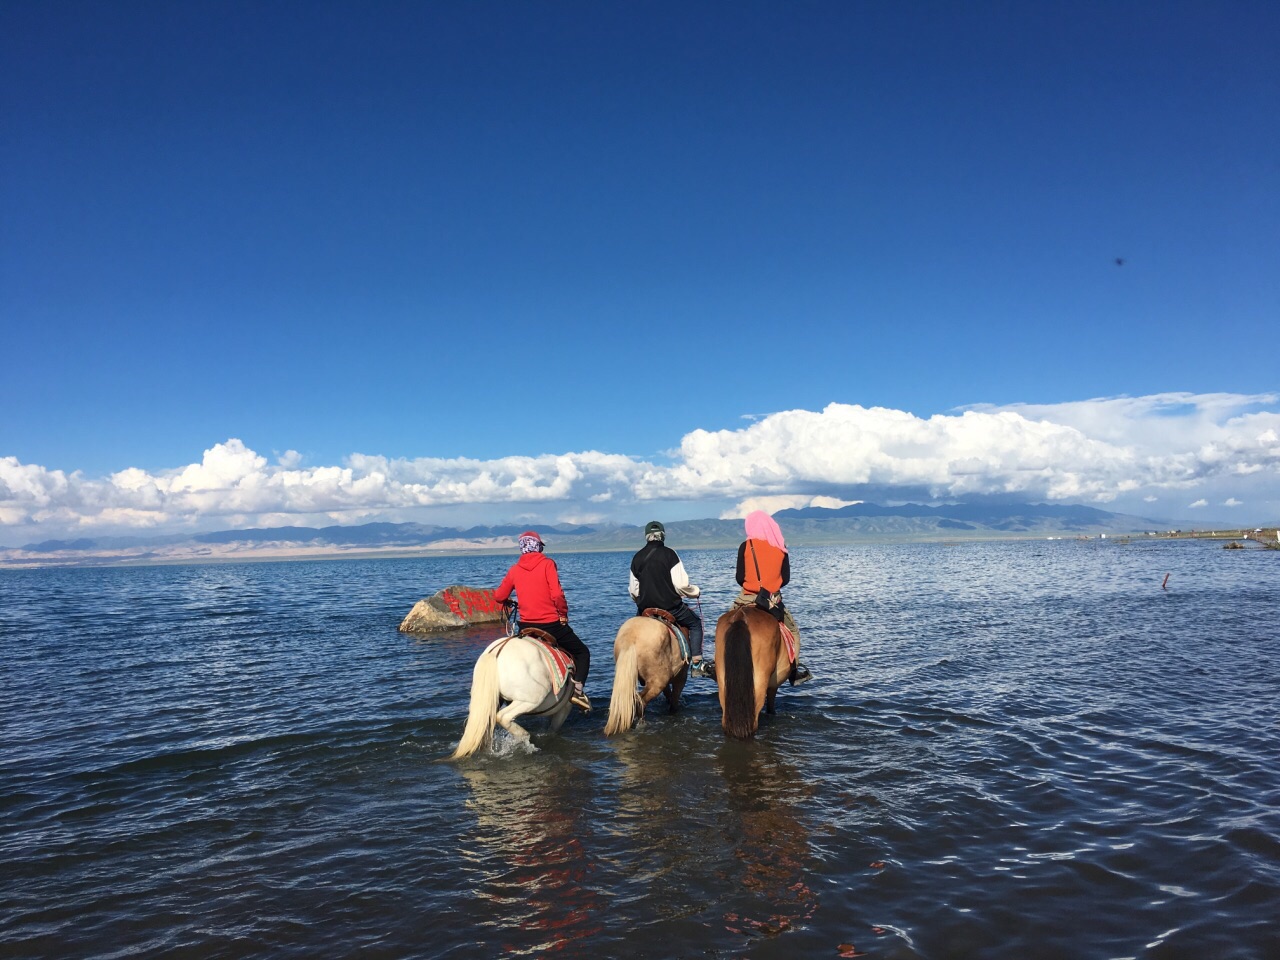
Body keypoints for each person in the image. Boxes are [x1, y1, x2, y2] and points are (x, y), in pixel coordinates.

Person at [493, 530, 592, 710]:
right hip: (551, 625)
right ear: (537, 547)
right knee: (582, 653)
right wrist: (563, 614)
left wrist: (508, 601)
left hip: (526, 627)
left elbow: (499, 596)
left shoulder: (514, 569)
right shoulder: (547, 564)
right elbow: (557, 594)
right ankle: (577, 692)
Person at [733, 510, 812, 684]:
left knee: (726, 628)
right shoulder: (780, 547)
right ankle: (794, 671)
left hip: (746, 598)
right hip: (771, 601)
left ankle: (717, 665)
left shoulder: (745, 546)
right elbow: (786, 579)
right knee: (794, 633)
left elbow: (739, 578)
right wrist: (770, 586)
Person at [628, 520, 707, 676]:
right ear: (662, 536)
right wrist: (695, 591)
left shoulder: (637, 557)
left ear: (646, 537)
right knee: (696, 623)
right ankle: (697, 664)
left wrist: (642, 602)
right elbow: (681, 585)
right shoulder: (670, 554)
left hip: (645, 610)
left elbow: (633, 591)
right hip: (671, 608)